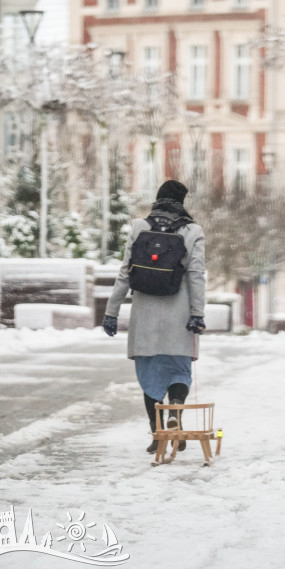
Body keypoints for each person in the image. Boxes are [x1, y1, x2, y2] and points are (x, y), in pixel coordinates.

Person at [102, 180, 206, 453]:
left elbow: (125, 272)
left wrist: (112, 312)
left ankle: (157, 433)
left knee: (149, 374)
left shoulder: (140, 227)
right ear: (182, 203)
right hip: (179, 312)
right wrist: (197, 313)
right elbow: (196, 276)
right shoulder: (193, 231)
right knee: (179, 371)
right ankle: (176, 417)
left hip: (144, 314)